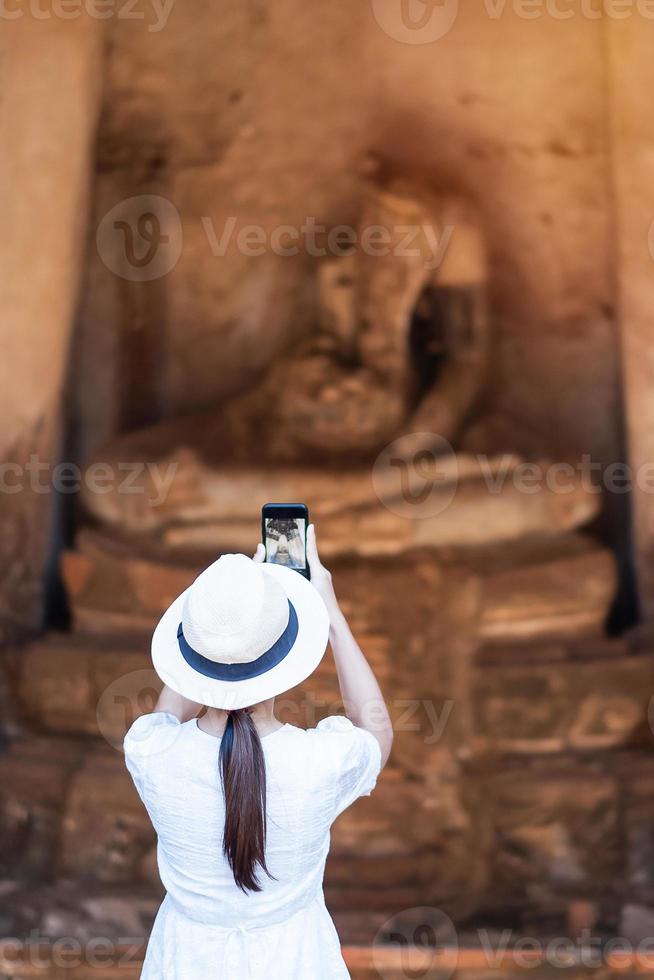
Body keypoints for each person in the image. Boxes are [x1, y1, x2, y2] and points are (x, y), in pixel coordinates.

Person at [123, 524, 393, 979]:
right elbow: (377, 731)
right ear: (286, 661)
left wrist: (217, 619)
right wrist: (329, 611)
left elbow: (174, 704)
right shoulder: (319, 762)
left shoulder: (151, 752)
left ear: (189, 656)